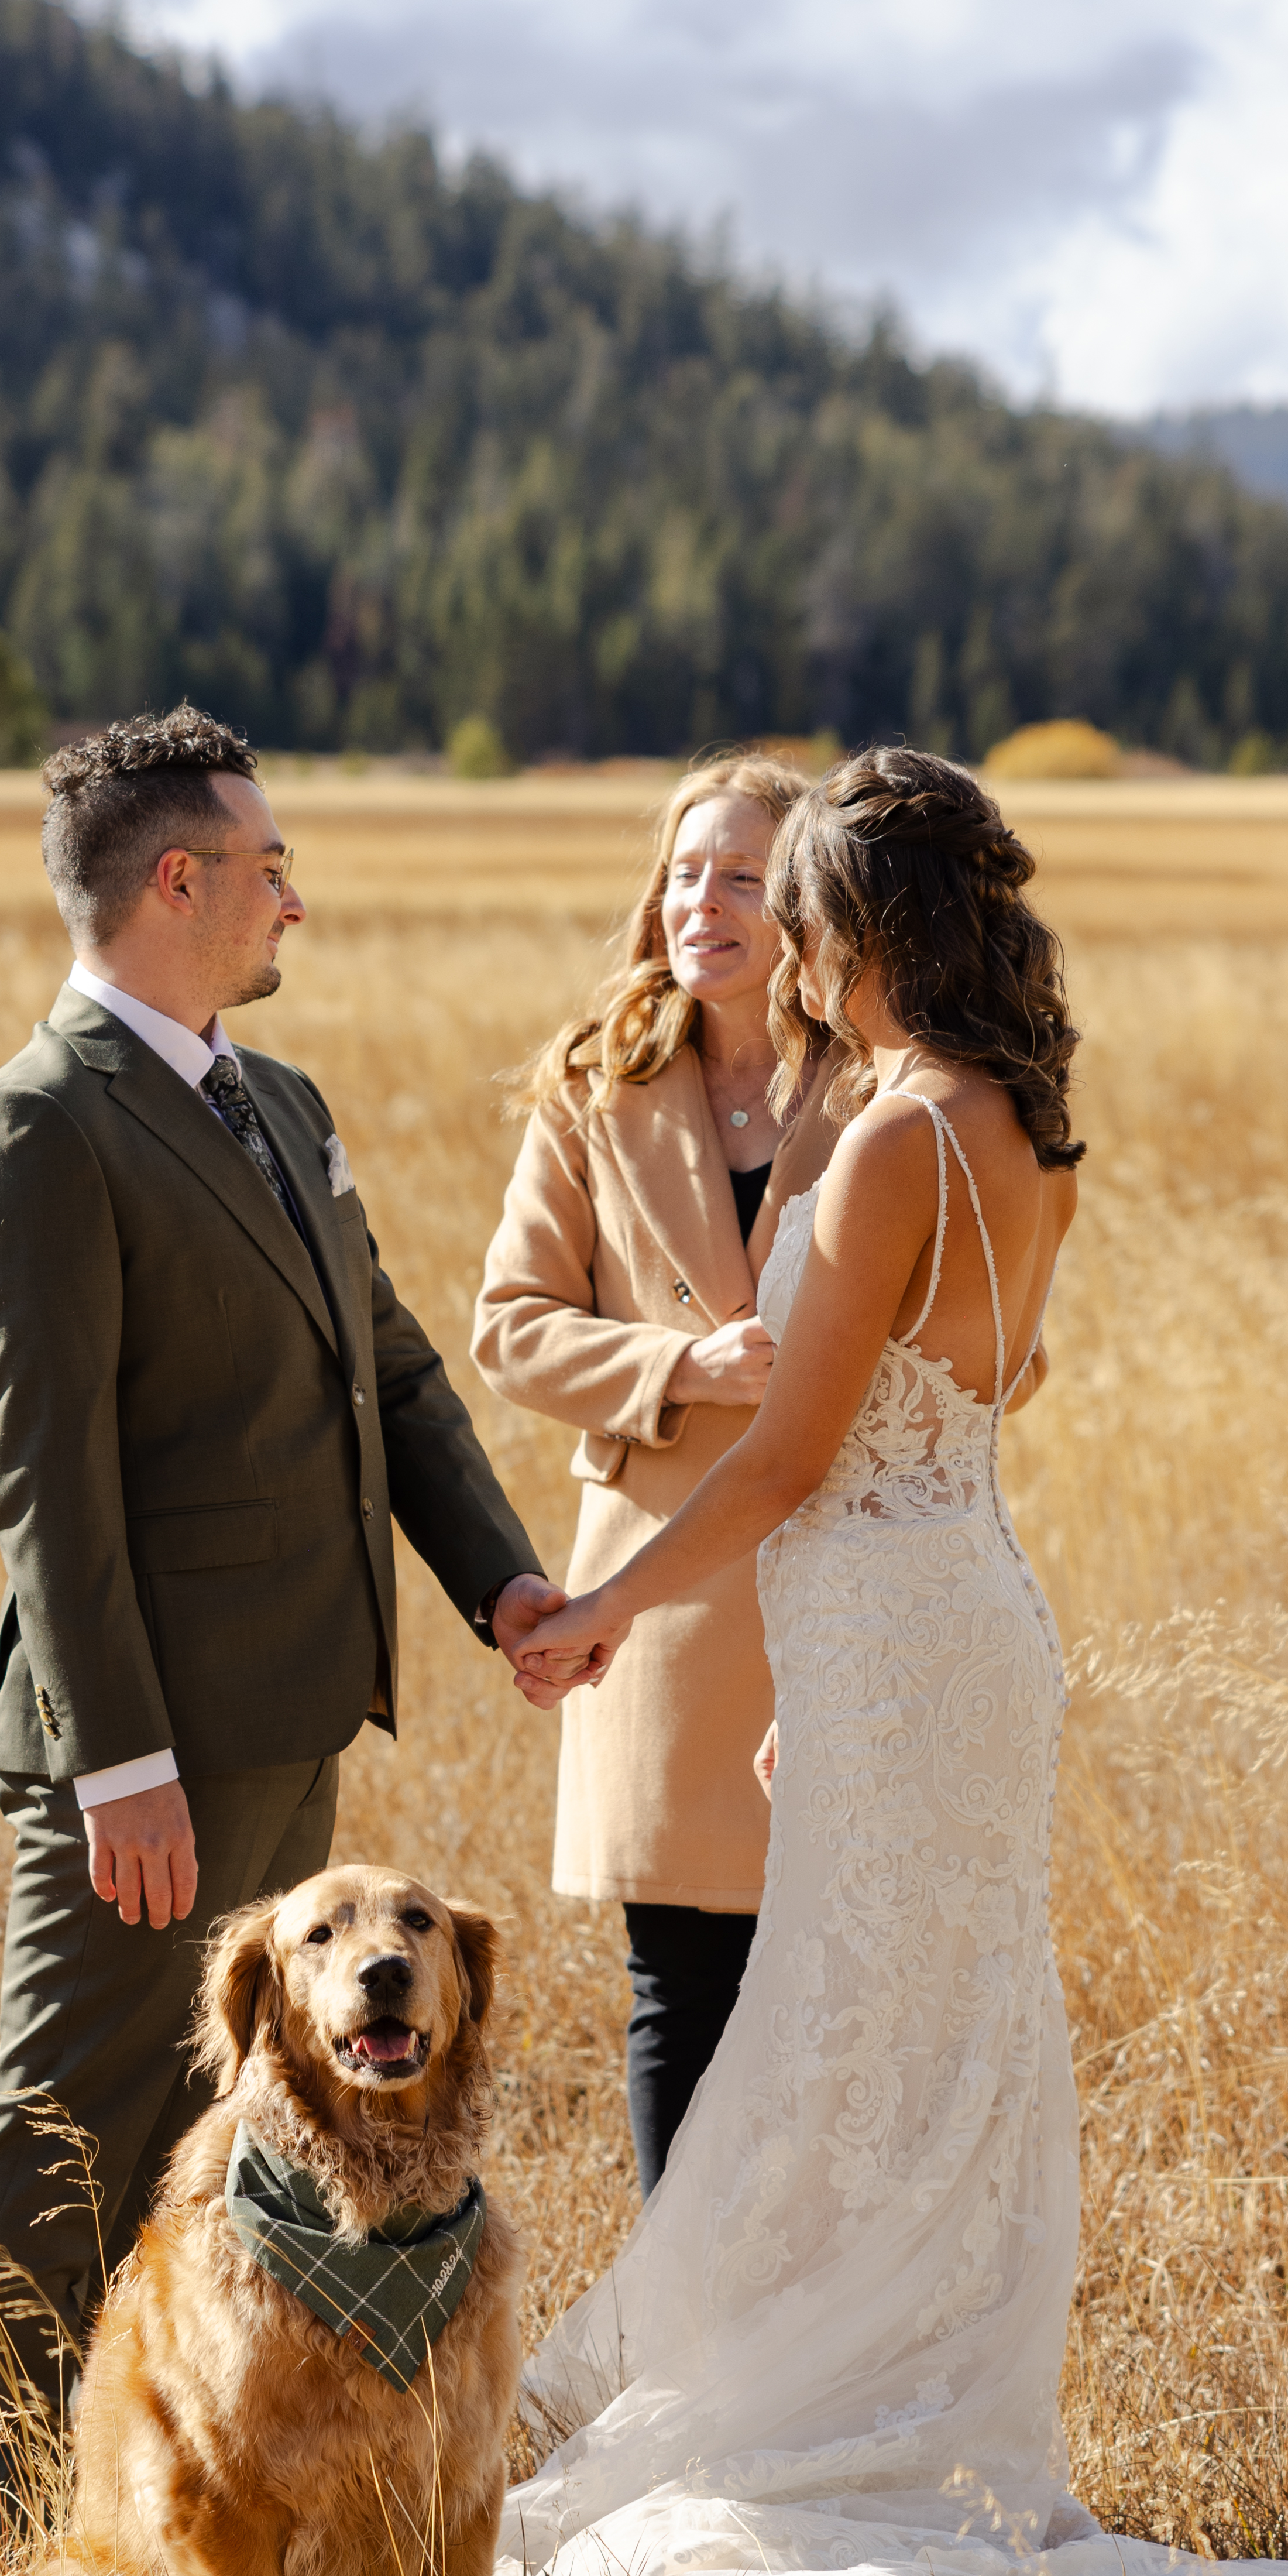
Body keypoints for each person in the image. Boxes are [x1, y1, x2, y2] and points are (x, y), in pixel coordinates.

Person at [496, 747, 1288, 2576]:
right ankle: (880, 2402)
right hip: (954, 1624)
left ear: (846, 932)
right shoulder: (1011, 1127)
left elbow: (792, 1456)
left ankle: (805, 2434)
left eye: (792, 914)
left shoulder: (887, 1145)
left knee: (838, 2038)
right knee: (911, 2027)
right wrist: (839, 1678)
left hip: (896, 1623)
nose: (771, 946)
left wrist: (611, 1606)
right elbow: (991, 1388)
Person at [0, 705, 582, 2533]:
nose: (295, 898)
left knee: (206, 2149)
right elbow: (44, 1484)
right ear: (177, 879)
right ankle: (12, 2516)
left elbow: (386, 1370)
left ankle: (170, 2497)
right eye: (270, 865)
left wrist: (503, 1582)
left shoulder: (274, 1102)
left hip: (295, 1727)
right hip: (148, 1752)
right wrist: (116, 1760)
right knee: (64, 2124)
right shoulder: (35, 1133)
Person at [472, 754, 853, 2190]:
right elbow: (506, 1327)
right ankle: (685, 2336)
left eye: (746, 876)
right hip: (655, 1586)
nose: (707, 901)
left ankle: (807, 2335)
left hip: (831, 1562)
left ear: (806, 903)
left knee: (822, 1978)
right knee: (679, 1986)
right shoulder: (593, 1084)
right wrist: (674, 1371)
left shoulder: (877, 1085)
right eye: (688, 871)